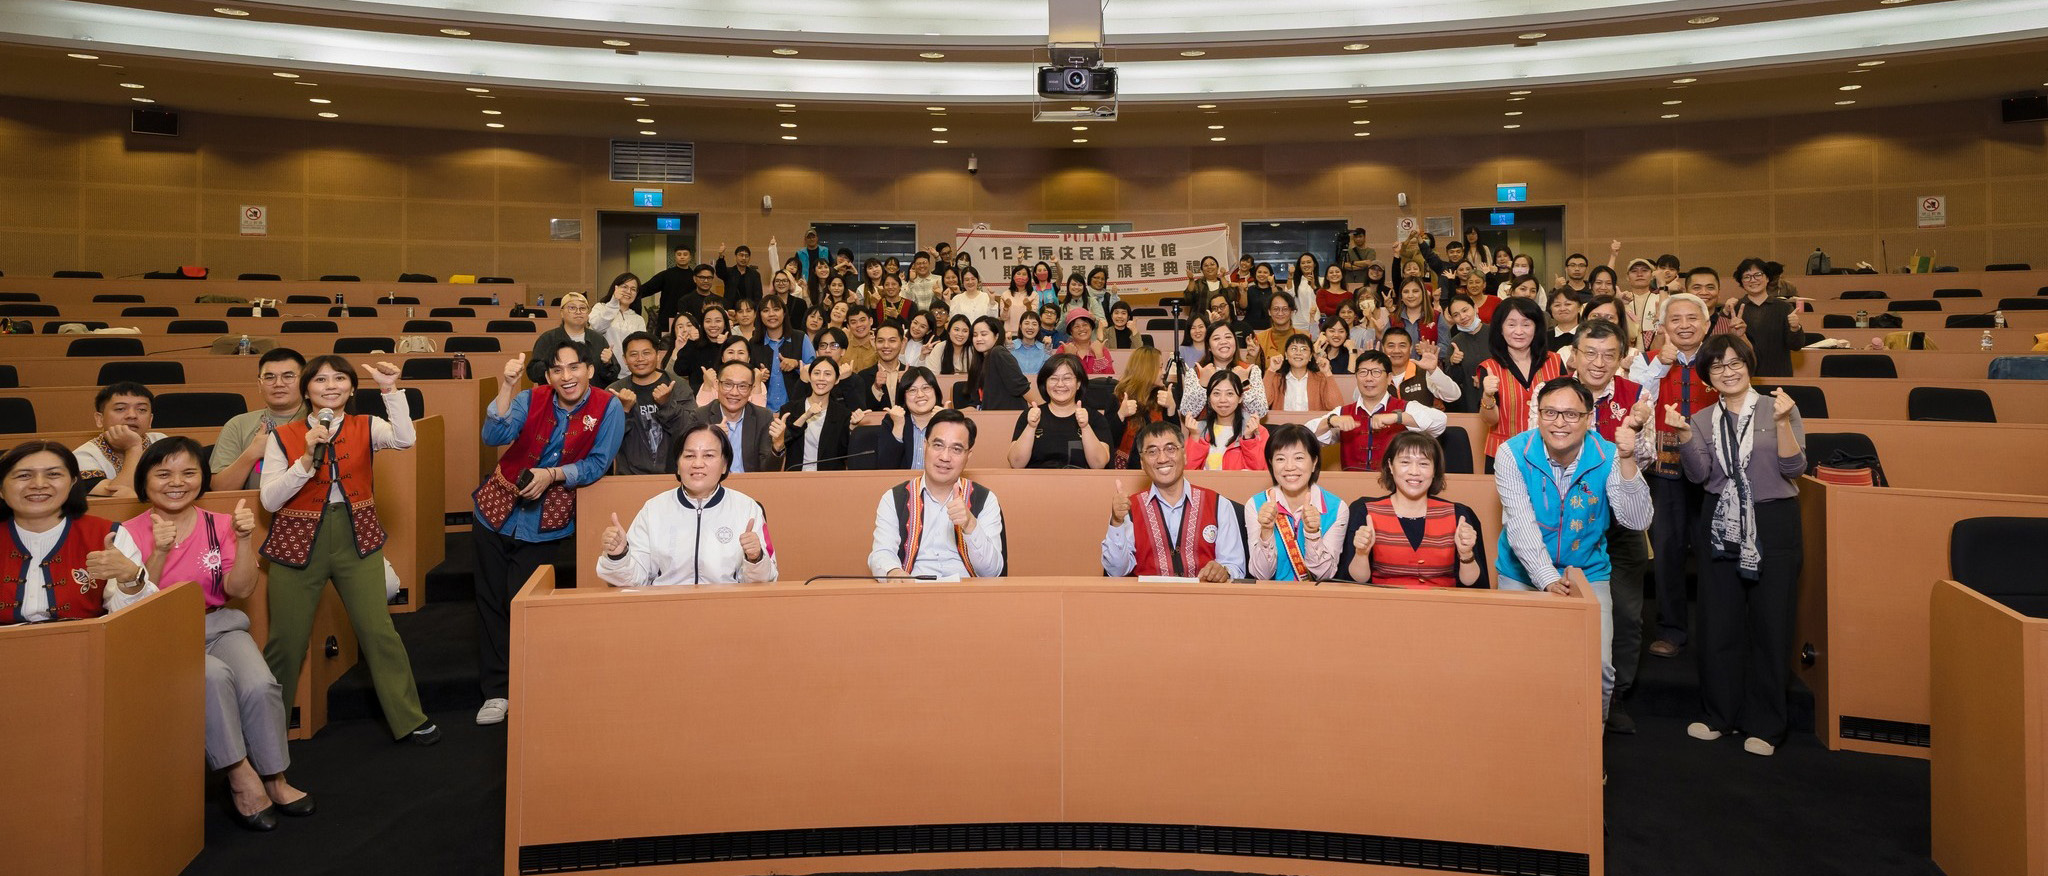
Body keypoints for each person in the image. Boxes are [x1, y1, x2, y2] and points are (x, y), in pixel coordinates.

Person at [125, 437, 310, 831]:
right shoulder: (126, 533)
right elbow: (137, 604)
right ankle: (240, 774)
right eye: (163, 474)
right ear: (145, 482)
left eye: (189, 472)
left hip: (218, 624)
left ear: (203, 478)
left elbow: (240, 590)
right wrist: (157, 553)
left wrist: (244, 541)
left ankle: (275, 777)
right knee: (213, 676)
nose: (177, 482)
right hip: (160, 631)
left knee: (261, 684)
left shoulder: (222, 523)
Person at [260, 355, 438, 743]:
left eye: (339, 378)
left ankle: (408, 717)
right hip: (297, 540)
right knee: (286, 642)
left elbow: (406, 439)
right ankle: (266, 734)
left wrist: (390, 390)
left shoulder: (366, 425)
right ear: (306, 390)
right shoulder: (283, 436)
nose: (330, 386)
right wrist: (306, 459)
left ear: (353, 388)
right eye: (320, 380)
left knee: (378, 631)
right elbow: (270, 500)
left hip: (356, 534)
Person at [472, 341, 623, 727]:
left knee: (526, 602)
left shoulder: (608, 408)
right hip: (495, 510)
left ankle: (529, 686)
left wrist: (553, 475)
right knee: (490, 601)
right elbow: (494, 434)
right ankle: (497, 691)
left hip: (546, 521)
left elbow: (597, 464)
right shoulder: (530, 397)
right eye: (558, 370)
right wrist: (506, 386)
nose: (566, 377)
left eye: (574, 368)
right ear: (549, 375)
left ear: (589, 369)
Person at [1672, 334, 1806, 756]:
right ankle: (1719, 716)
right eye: (1717, 366)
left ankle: (1767, 725)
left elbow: (1795, 467)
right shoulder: (1702, 418)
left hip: (1774, 518)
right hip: (1719, 521)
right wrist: (1682, 435)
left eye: (1735, 363)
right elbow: (1699, 476)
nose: (1728, 372)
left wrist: (1784, 423)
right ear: (1707, 377)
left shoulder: (1778, 407)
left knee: (1771, 623)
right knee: (1718, 622)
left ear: (1749, 365)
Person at [1494, 377, 1654, 723]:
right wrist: (1548, 579)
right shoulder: (1512, 453)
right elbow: (1520, 526)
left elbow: (1637, 519)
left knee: (1598, 668)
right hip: (1522, 571)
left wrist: (1628, 461)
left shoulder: (1608, 454)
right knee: (1518, 666)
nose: (1559, 423)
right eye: (1550, 412)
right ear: (1537, 415)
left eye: (1570, 414)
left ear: (1588, 418)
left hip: (1587, 570)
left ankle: (1587, 754)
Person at [1628, 292, 1719, 659]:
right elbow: (1638, 404)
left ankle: (1716, 630)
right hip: (1665, 468)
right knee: (1666, 549)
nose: (1684, 325)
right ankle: (1671, 629)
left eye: (1692, 318)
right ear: (1662, 327)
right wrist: (1659, 367)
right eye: (1675, 320)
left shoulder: (1721, 359)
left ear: (1707, 324)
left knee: (1714, 549)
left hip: (1714, 467)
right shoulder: (1647, 362)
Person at [1574, 319, 1654, 733]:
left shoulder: (1637, 395)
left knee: (1625, 611)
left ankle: (1616, 694)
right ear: (1575, 354)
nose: (1599, 362)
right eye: (1590, 352)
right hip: (1570, 515)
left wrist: (1634, 437)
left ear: (1622, 357)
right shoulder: (1552, 393)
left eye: (1609, 354)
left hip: (1622, 516)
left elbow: (1648, 458)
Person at [595, 423, 778, 587]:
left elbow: (766, 580)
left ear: (724, 465)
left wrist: (755, 558)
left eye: (708, 455)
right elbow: (633, 580)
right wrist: (618, 556)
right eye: (689, 455)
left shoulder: (747, 508)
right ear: (677, 464)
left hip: (726, 610)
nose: (698, 464)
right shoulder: (654, 509)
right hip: (665, 611)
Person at [0, 441, 154, 625]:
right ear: (1, 488)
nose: (39, 484)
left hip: (87, 646)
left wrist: (129, 578)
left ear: (73, 482)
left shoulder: (109, 535)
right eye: (24, 475)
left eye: (53, 474)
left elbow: (132, 621)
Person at [1338, 432, 1488, 588]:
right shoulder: (1365, 512)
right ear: (1390, 465)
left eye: (1423, 464)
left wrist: (1466, 555)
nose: (1414, 471)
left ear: (1435, 469)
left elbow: (1474, 586)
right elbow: (1355, 582)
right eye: (1405, 462)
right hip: (1384, 606)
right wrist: (1361, 554)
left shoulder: (1459, 515)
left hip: (1443, 606)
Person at [868, 409, 1007, 578]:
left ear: (968, 455)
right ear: (925, 446)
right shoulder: (894, 498)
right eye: (938, 445)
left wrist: (970, 525)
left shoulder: (985, 499)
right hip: (912, 593)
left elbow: (993, 572)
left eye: (956, 449)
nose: (945, 457)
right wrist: (893, 572)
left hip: (966, 595)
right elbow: (881, 553)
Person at [1100, 420, 1245, 581]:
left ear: (1184, 455)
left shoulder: (1219, 504)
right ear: (1142, 462)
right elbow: (1116, 572)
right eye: (1152, 452)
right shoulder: (1127, 509)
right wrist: (1116, 523)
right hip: (1147, 602)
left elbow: (1235, 567)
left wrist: (1223, 571)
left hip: (1204, 602)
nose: (1162, 458)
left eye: (1170, 449)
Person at [1307, 349, 1448, 471]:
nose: (1369, 378)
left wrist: (1397, 418)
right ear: (1356, 377)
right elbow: (1306, 436)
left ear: (1389, 378)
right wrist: (1331, 421)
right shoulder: (1342, 412)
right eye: (1362, 372)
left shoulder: (1405, 407)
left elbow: (1440, 422)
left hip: (1394, 487)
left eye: (1376, 372)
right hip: (1353, 486)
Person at [1246, 424, 1348, 581]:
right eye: (1280, 459)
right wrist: (1266, 530)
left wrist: (1313, 534)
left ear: (1314, 462)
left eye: (1299, 458)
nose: (1289, 467)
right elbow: (1261, 575)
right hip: (1270, 599)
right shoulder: (1256, 504)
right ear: (1271, 464)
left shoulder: (1336, 508)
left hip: (1316, 600)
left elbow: (1325, 575)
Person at [1476, 297, 1565, 466]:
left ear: (1536, 328)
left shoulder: (1555, 361)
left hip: (1550, 454)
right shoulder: (1488, 368)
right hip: (1503, 455)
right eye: (1511, 324)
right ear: (1500, 329)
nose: (1519, 331)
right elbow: (1490, 421)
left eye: (1526, 324)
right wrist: (1487, 395)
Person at [213, 348, 310, 491]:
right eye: (269, 377)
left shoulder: (320, 422)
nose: (278, 383)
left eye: (288, 376)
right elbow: (220, 489)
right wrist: (252, 453)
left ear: (305, 383)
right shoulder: (238, 425)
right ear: (259, 384)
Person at [609, 331, 695, 476]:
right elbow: (608, 440)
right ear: (624, 359)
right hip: (630, 478)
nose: (640, 359)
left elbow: (691, 430)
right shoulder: (615, 391)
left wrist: (667, 404)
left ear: (657, 355)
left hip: (675, 475)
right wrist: (623, 411)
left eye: (646, 353)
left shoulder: (677, 385)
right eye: (633, 354)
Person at [1008, 353, 1114, 469]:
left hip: (1081, 485)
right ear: (1045, 383)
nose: (1060, 384)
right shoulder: (1030, 416)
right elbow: (1016, 463)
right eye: (1053, 378)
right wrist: (1031, 427)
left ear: (1078, 383)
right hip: (1037, 485)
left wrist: (1085, 427)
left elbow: (1098, 464)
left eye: (1067, 378)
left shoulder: (1095, 418)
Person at [691, 360, 788, 473]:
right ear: (717, 385)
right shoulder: (700, 417)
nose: (734, 393)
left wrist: (778, 446)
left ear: (751, 389)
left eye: (742, 386)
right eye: (728, 384)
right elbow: (691, 465)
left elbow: (768, 472)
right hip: (713, 486)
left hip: (750, 486)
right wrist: (712, 439)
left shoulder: (763, 417)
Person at [75, 382, 168, 498]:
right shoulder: (84, 456)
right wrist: (133, 448)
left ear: (150, 420)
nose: (132, 415)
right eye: (120, 409)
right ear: (100, 419)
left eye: (142, 410)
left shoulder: (162, 442)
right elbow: (120, 498)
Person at [1718, 260, 1802, 378]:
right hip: (1742, 375)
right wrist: (1724, 313)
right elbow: (1718, 342)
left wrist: (1795, 328)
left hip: (1779, 375)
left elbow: (1796, 346)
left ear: (1767, 278)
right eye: (1747, 277)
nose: (1753, 280)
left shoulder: (1784, 307)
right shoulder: (1733, 308)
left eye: (1758, 275)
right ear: (1741, 282)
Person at [1179, 321, 1271, 420]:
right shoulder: (1196, 372)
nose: (1223, 342)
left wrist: (1245, 384)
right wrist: (1202, 385)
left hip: (1242, 432)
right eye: (1216, 338)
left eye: (1228, 337)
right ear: (1209, 346)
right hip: (1205, 433)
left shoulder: (1250, 371)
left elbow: (1261, 412)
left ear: (1235, 342)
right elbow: (1187, 412)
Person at [527, 292, 621, 387]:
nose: (578, 312)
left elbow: (612, 377)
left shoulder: (598, 339)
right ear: (562, 313)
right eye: (572, 308)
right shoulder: (548, 339)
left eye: (583, 308)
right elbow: (533, 374)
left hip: (592, 397)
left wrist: (608, 363)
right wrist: (551, 363)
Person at [779, 355, 853, 471]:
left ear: (837, 380)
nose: (821, 378)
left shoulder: (843, 414)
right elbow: (781, 445)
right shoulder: (790, 409)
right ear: (809, 377)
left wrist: (852, 428)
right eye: (816, 373)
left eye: (828, 374)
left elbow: (844, 453)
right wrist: (805, 416)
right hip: (795, 478)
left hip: (829, 480)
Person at [1184, 370, 1267, 471]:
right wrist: (1194, 437)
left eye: (1230, 394)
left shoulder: (1256, 430)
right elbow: (1187, 471)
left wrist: (1249, 439)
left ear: (1240, 398)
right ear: (1209, 399)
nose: (1222, 400)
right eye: (1216, 393)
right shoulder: (1198, 430)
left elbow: (1260, 471)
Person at [1109, 345, 1175, 469]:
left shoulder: (1163, 398)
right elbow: (1107, 440)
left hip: (1159, 467)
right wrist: (1120, 416)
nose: (1164, 372)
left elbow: (1175, 441)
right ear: (1146, 370)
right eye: (1160, 367)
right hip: (1124, 471)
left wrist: (1171, 409)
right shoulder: (1118, 398)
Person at [876, 367, 944, 470]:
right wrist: (898, 426)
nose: (920, 395)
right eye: (912, 390)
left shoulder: (949, 421)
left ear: (936, 391)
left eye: (926, 388)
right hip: (901, 485)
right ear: (904, 396)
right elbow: (885, 467)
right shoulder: (891, 421)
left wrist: (943, 425)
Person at [1379, 326, 1463, 410]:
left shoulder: (1423, 372)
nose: (1396, 350)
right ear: (1383, 348)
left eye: (1402, 346)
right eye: (1391, 346)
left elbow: (1453, 395)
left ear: (1411, 348)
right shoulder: (1377, 376)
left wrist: (1433, 370)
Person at [1264, 333, 1345, 413]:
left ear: (1310, 357)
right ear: (1286, 355)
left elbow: (1337, 407)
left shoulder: (1320, 379)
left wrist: (1327, 373)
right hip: (1281, 425)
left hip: (1312, 425)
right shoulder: (1276, 378)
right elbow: (1261, 404)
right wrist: (1271, 370)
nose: (1298, 353)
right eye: (1293, 349)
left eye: (1304, 349)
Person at [756, 294, 810, 412]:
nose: (771, 314)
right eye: (766, 310)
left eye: (776, 309)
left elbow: (815, 370)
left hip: (796, 410)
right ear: (760, 315)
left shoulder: (800, 338)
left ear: (784, 313)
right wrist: (756, 374)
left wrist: (797, 364)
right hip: (763, 411)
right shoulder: (754, 343)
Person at [969, 316, 1032, 410]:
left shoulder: (998, 353)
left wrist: (1044, 410)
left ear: (997, 336)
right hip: (988, 418)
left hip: (1008, 418)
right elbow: (976, 406)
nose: (978, 339)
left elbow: (1022, 388)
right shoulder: (979, 362)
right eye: (975, 335)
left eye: (984, 334)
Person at [589, 272, 647, 365]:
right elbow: (596, 328)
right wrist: (613, 302)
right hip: (604, 368)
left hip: (631, 370)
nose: (628, 291)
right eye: (624, 287)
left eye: (633, 289)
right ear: (615, 288)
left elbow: (641, 346)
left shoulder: (638, 319)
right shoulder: (600, 307)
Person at [638, 244, 695, 340]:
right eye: (679, 254)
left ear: (690, 257)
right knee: (664, 346)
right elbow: (647, 288)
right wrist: (632, 293)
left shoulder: (695, 277)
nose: (682, 257)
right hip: (666, 318)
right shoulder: (666, 275)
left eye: (685, 254)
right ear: (675, 257)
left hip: (689, 318)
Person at [1253, 292, 1305, 366]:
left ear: (1292, 312)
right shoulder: (1260, 339)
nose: (1280, 313)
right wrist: (1253, 357)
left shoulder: (1305, 336)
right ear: (1269, 312)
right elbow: (1254, 371)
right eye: (1276, 309)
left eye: (1285, 309)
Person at [1060, 307, 1115, 376]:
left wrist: (1099, 356)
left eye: (1085, 325)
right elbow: (1059, 376)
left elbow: (1109, 378)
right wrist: (1070, 357)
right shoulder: (1063, 349)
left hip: (1096, 387)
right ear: (1071, 331)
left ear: (1091, 328)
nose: (1082, 329)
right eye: (1076, 326)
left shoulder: (1101, 349)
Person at [713, 243, 763, 309]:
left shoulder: (755, 274)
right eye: (741, 255)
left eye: (746, 256)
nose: (744, 258)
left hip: (749, 309)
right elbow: (720, 272)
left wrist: (754, 310)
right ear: (735, 256)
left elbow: (758, 295)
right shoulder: (729, 272)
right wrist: (721, 256)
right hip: (731, 309)